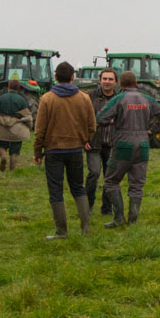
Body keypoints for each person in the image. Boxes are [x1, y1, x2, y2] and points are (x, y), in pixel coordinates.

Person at [96, 70, 160, 227]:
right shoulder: (147, 98)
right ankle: (133, 221)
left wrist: (113, 122)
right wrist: (153, 130)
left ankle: (118, 218)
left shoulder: (119, 99)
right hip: (143, 144)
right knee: (137, 185)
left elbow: (100, 118)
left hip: (123, 144)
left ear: (120, 84)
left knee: (111, 181)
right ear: (136, 83)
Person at [33, 61, 96, 240]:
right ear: (72, 77)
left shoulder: (47, 99)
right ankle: (86, 229)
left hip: (53, 151)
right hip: (76, 149)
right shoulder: (84, 98)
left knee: (56, 190)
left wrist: (38, 152)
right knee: (78, 187)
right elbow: (92, 125)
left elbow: (39, 130)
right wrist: (84, 139)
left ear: (55, 77)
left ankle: (61, 232)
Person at [86, 68, 120, 215]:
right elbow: (82, 119)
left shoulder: (120, 98)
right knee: (94, 173)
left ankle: (106, 209)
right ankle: (87, 206)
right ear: (100, 80)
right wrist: (83, 139)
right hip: (93, 142)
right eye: (104, 79)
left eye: (110, 79)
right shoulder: (89, 97)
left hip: (112, 143)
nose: (107, 82)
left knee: (109, 177)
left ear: (115, 82)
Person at [0, 79, 34, 172]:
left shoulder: (1, 98)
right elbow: (28, 117)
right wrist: (29, 127)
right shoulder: (21, 100)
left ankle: (3, 156)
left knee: (1, 146)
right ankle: (12, 169)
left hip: (2, 130)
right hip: (17, 131)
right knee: (15, 151)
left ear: (8, 87)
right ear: (18, 88)